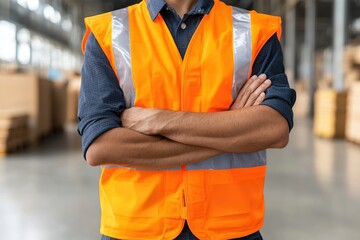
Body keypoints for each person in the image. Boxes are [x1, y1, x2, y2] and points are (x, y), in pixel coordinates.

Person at [78, 0, 296, 239]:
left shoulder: (253, 31)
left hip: (230, 227)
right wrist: (233, 128)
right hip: (136, 228)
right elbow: (100, 147)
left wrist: (159, 120)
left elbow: (275, 128)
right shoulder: (108, 33)